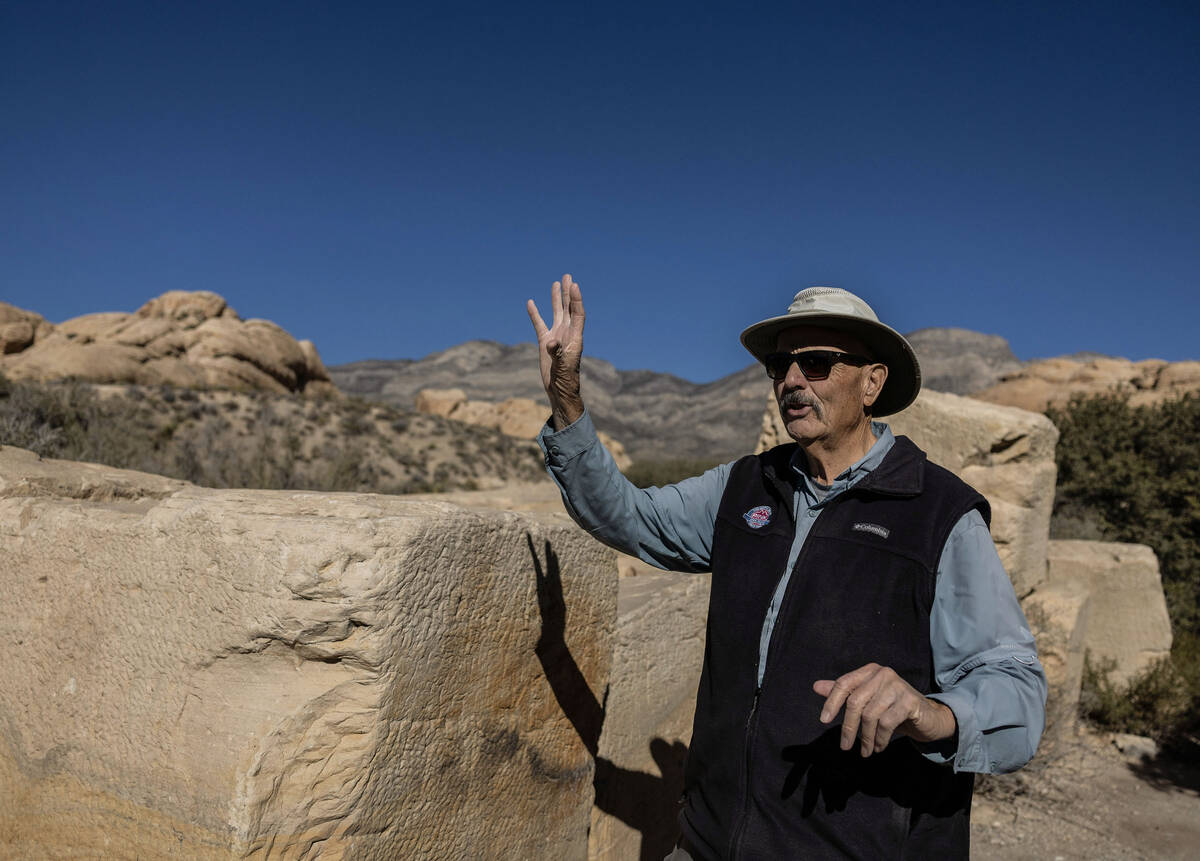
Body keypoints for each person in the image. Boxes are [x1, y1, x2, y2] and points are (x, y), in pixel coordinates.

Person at [526, 275, 1047, 860]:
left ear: (872, 382)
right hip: (708, 845)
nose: (793, 381)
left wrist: (930, 712)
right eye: (781, 366)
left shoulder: (940, 514)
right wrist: (566, 399)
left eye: (817, 363)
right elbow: (630, 518)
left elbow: (1017, 693)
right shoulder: (744, 487)